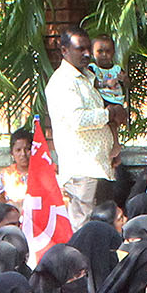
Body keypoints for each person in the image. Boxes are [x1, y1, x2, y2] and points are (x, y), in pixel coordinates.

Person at [45, 29, 116, 223]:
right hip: (82, 168)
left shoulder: (86, 78)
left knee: (101, 228)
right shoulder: (63, 82)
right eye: (80, 49)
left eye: (88, 49)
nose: (86, 54)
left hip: (98, 165)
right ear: (64, 50)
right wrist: (109, 114)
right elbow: (77, 119)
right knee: (83, 227)